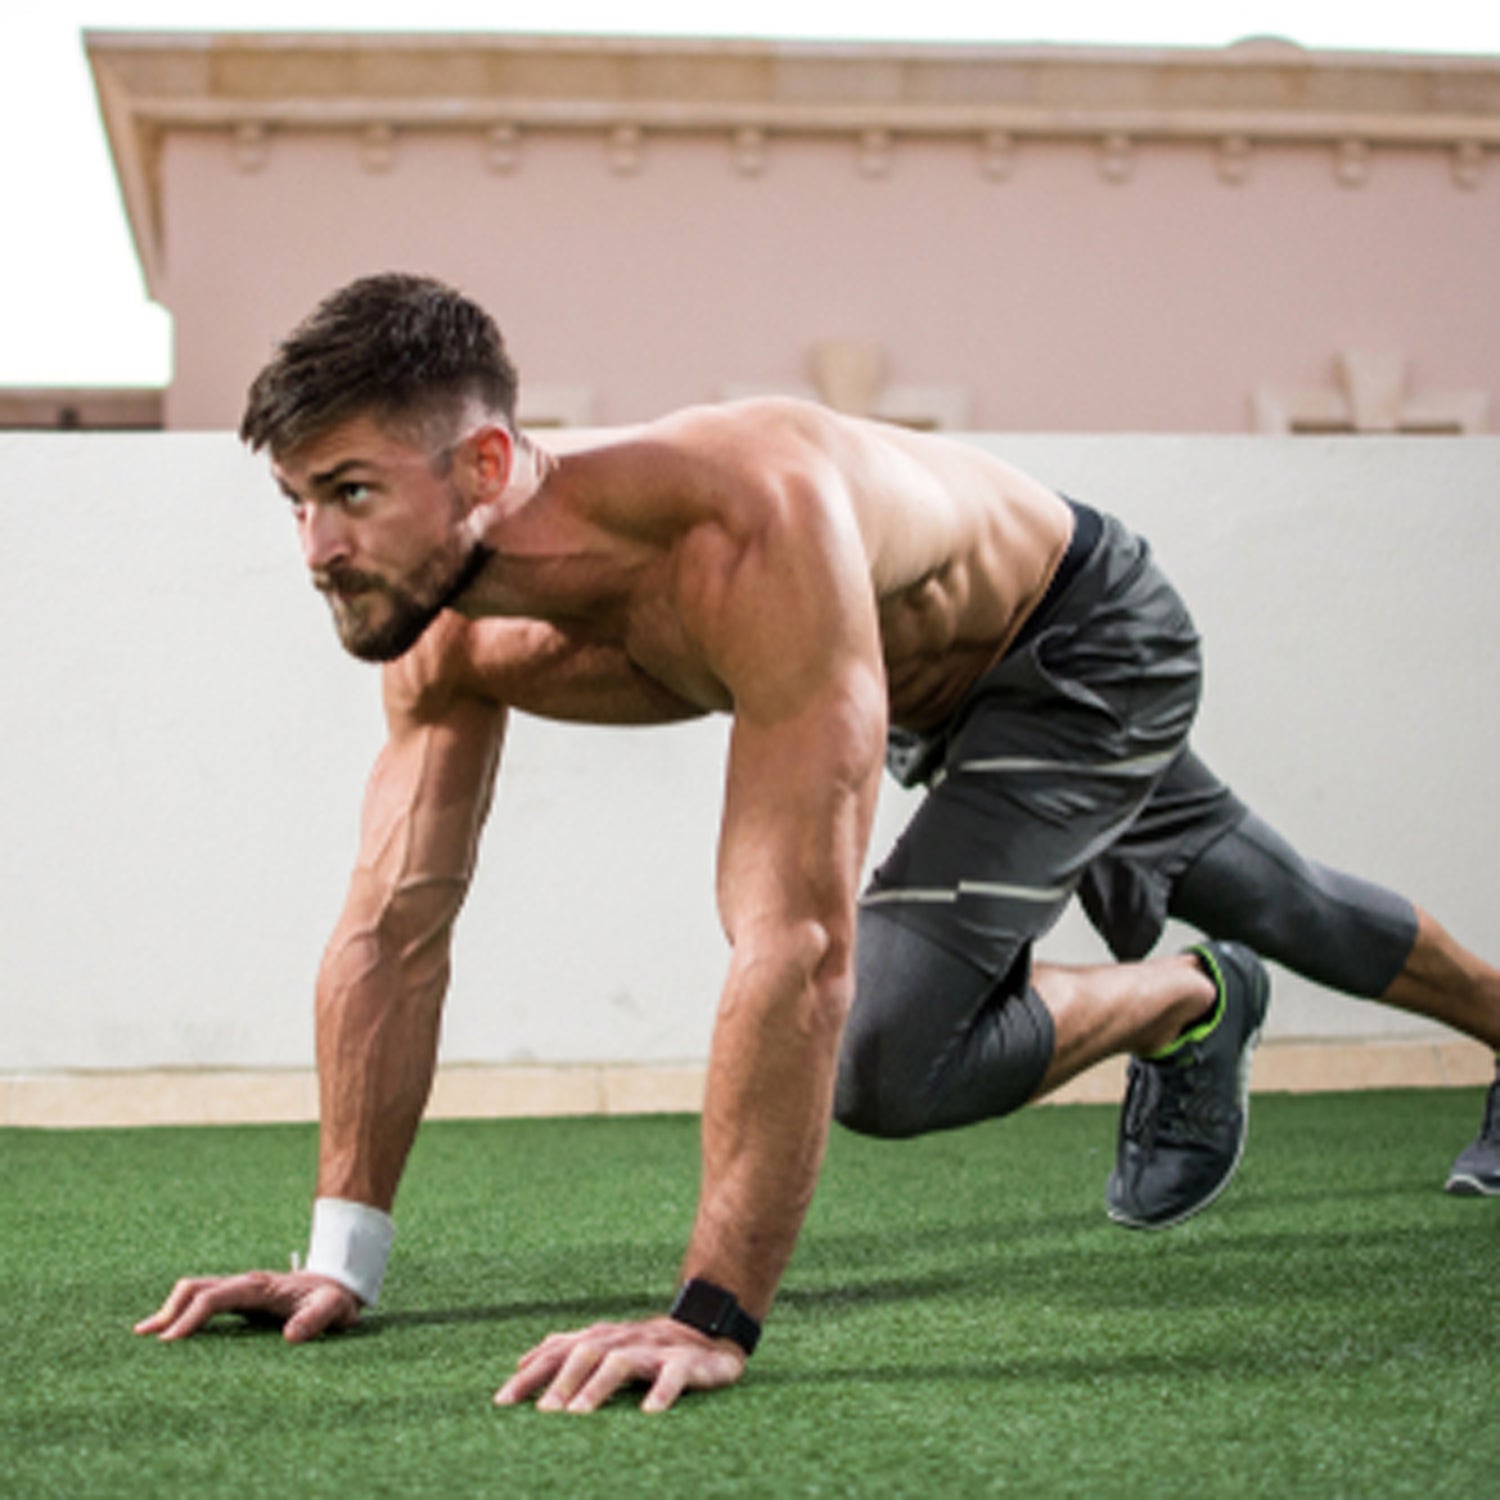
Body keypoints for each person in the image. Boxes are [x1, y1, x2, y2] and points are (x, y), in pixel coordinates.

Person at [135, 274, 1500, 1411]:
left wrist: (707, 1314)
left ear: (485, 464)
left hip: (1081, 642)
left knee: (892, 1050)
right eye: (296, 501)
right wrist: (341, 1256)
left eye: (353, 493)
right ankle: (1226, 997)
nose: (316, 546)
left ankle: (1194, 996)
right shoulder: (446, 630)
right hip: (924, 693)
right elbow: (393, 926)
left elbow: (793, 937)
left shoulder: (744, 524)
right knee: (1275, 897)